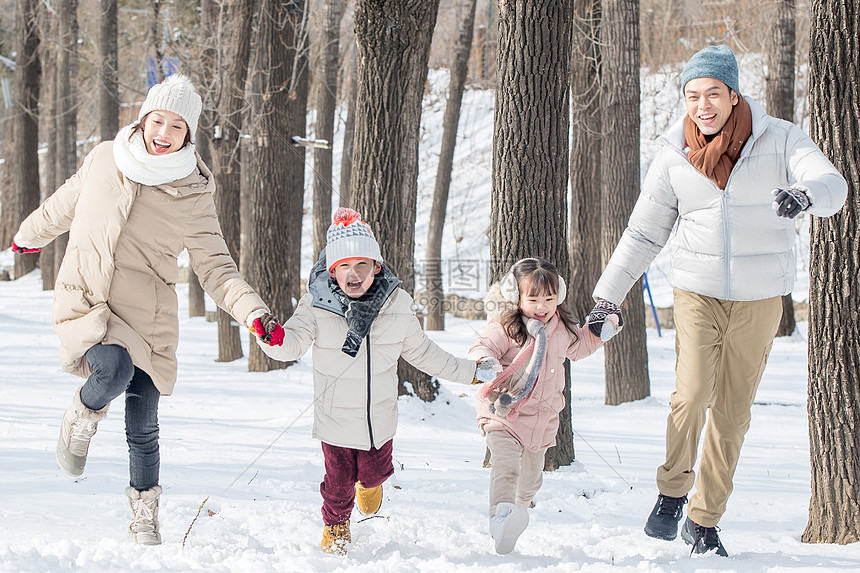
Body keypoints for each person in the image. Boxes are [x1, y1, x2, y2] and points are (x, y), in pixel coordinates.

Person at [589, 45, 847, 556]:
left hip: (759, 299)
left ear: (733, 95)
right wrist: (607, 297)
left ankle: (703, 521)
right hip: (696, 290)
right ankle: (671, 492)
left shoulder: (780, 138)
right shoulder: (672, 154)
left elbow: (832, 182)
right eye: (692, 96)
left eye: (712, 93)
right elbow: (643, 233)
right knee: (691, 394)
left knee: (732, 411)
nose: (702, 105)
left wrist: (805, 196)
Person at [11, 74, 280, 546]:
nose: (165, 131)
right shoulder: (103, 159)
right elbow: (62, 206)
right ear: (143, 119)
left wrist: (254, 314)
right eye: (158, 119)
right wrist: (26, 236)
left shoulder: (193, 193)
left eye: (177, 125)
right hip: (88, 301)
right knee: (110, 371)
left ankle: (144, 514)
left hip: (149, 317)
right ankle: (82, 415)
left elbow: (217, 268)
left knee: (143, 421)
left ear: (188, 135)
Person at [254, 207, 492, 556]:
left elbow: (425, 353)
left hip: (378, 420)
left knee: (375, 473)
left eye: (362, 265)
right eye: (344, 267)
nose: (354, 274)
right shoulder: (316, 306)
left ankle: (370, 484)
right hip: (335, 420)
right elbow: (292, 343)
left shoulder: (396, 306)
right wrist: (272, 339)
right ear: (332, 271)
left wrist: (471, 371)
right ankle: (336, 527)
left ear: (376, 267)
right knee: (336, 484)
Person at [468, 258, 622, 555]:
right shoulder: (507, 327)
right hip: (503, 412)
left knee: (531, 480)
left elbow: (581, 346)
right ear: (517, 298)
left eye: (549, 298)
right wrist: (485, 361)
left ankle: (519, 509)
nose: (542, 306)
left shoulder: (562, 328)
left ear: (559, 297)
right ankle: (500, 519)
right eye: (534, 298)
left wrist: (603, 328)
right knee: (507, 466)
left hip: (540, 420)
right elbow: (483, 344)